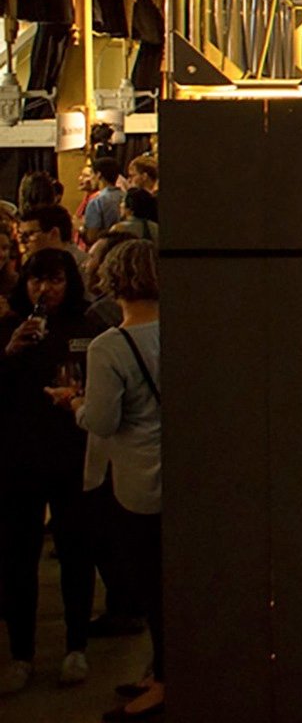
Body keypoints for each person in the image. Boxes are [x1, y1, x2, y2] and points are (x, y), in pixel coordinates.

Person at [46, 240, 161, 720]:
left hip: (134, 480)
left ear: (112, 283)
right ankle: (161, 670)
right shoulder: (183, 330)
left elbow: (103, 420)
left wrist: (72, 402)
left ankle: (164, 681)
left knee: (151, 583)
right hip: (176, 471)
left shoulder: (110, 346)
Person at [0, 248, 97, 692]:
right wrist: (8, 352)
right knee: (18, 560)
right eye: (37, 280)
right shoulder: (10, 326)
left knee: (75, 551)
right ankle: (21, 654)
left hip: (70, 456)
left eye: (55, 280)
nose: (45, 289)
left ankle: (76, 646)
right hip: (18, 460)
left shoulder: (87, 327)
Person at [79, 158, 125, 246]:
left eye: (92, 173)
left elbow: (91, 238)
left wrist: (80, 228)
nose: (90, 178)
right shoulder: (125, 195)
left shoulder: (96, 201)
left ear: (99, 175)